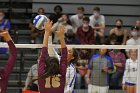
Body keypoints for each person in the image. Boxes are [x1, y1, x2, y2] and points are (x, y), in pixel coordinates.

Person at [38, 20, 68, 93]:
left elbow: (43, 54)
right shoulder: (61, 73)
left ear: (46, 65)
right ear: (58, 65)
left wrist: (47, 32)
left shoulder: (42, 74)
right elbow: (64, 56)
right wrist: (61, 37)